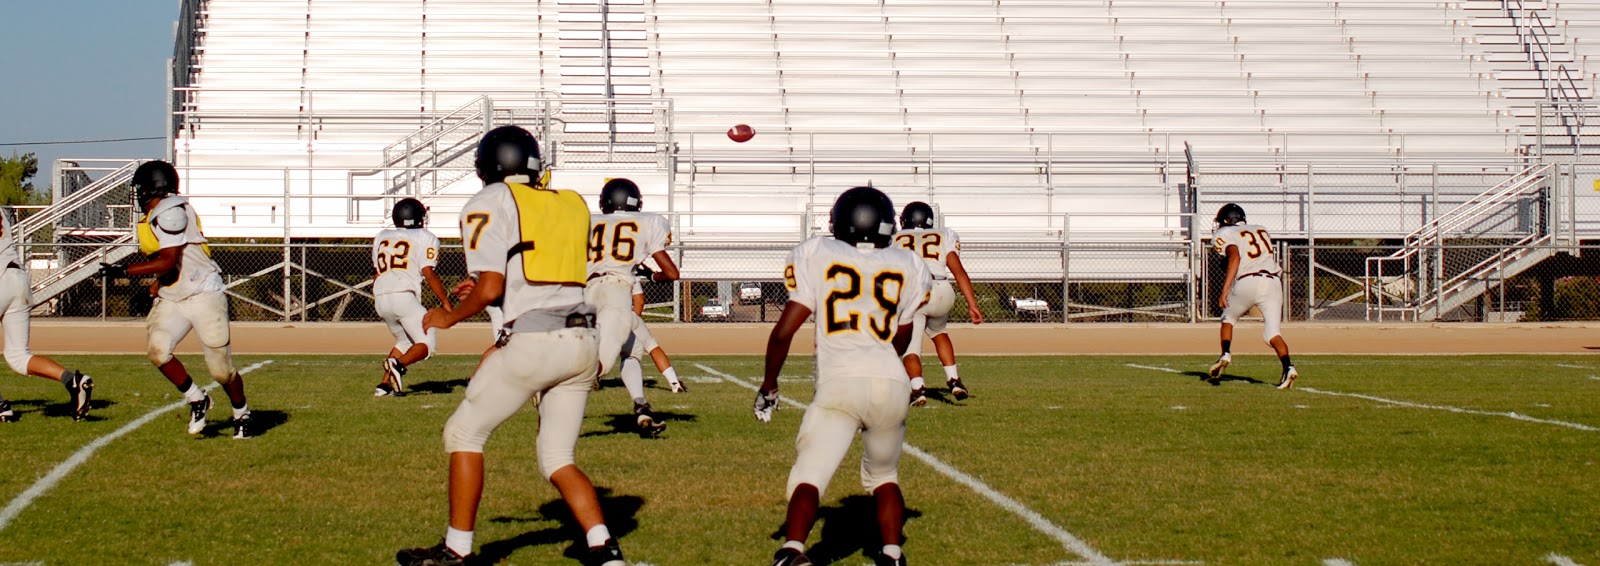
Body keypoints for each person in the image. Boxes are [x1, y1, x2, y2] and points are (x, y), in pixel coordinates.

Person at [396, 125, 627, 566]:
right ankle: (604, 548)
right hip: (583, 340)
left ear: (489, 165)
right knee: (557, 456)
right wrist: (494, 290)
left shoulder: (490, 200)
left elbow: (492, 287)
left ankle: (457, 549)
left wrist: (449, 315)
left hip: (537, 340)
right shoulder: (571, 202)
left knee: (464, 433)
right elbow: (540, 272)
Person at [755, 186, 931, 566]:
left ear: (839, 222)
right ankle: (892, 553)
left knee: (811, 473)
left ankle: (793, 549)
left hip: (840, 382)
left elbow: (783, 332)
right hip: (892, 381)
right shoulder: (909, 264)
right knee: (884, 476)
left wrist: (769, 384)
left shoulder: (817, 254)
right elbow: (901, 338)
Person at [97, 160, 253, 438]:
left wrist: (125, 270)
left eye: (141, 188)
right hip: (175, 294)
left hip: (203, 292)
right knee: (158, 350)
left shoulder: (170, 211)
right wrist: (153, 289)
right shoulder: (160, 213)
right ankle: (197, 399)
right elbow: (175, 264)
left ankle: (242, 412)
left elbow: (168, 261)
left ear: (152, 187)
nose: (138, 194)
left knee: (221, 371)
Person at [586, 178, 680, 433]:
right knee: (601, 366)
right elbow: (672, 273)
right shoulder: (647, 222)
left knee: (632, 348)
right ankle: (548, 384)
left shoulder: (588, 222)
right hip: (616, 291)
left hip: (586, 291)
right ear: (636, 202)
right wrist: (652, 276)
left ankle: (641, 405)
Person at [0, 207, 94, 423]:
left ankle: (1, 405)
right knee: (18, 356)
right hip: (17, 277)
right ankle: (73, 381)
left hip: (2, 277)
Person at [892, 202, 982, 406]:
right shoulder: (944, 235)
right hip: (942, 290)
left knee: (911, 348)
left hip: (914, 292)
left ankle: (918, 389)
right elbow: (959, 272)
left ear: (904, 220)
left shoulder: (894, 238)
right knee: (939, 332)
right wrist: (972, 304)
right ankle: (954, 380)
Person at [1207, 203, 1298, 389]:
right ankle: (1288, 367)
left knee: (1228, 318)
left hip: (1249, 280)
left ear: (1227, 220)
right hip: (1273, 282)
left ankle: (1225, 353)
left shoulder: (1225, 233)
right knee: (1272, 333)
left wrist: (1225, 289)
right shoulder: (1260, 229)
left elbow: (1235, 256)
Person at [371, 198, 451, 397]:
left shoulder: (382, 236)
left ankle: (384, 386)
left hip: (381, 296)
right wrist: (445, 302)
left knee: (404, 341)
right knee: (427, 343)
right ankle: (398, 365)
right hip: (403, 295)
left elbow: (378, 272)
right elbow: (428, 272)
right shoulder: (425, 237)